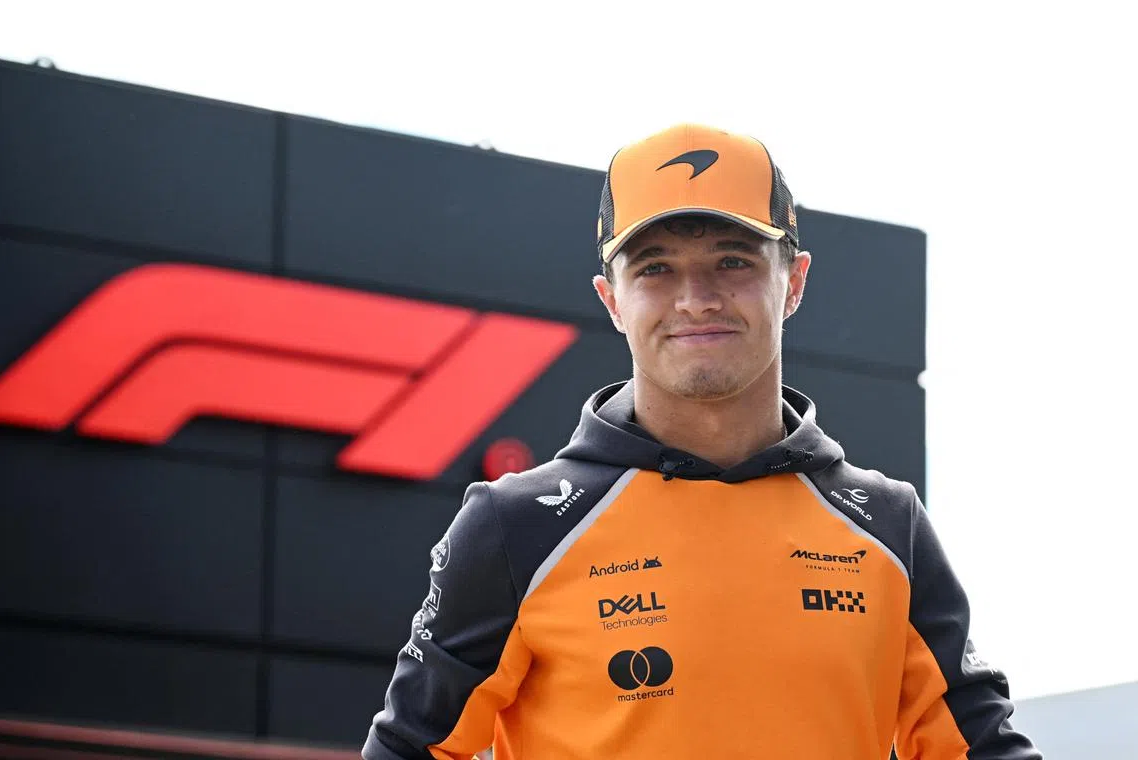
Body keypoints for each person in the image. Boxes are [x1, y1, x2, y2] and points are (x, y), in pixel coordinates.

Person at [361, 123, 1041, 759]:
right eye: (655, 268)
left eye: (733, 261)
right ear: (612, 299)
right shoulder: (515, 527)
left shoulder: (891, 526)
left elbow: (980, 744)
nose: (696, 298)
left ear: (794, 282)